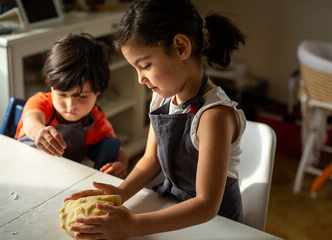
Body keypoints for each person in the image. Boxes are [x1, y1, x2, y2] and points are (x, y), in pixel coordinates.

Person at [65, 0, 246, 239]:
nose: (141, 79)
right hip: (174, 204)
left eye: (146, 65)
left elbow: (206, 205)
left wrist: (132, 225)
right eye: (136, 69)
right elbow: (151, 159)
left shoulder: (214, 116)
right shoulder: (162, 98)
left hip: (216, 225)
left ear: (181, 47)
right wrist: (120, 193)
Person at [15, 33, 128, 179]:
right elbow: (31, 119)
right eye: (62, 95)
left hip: (61, 179)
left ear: (99, 89)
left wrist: (120, 165)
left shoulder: (96, 122)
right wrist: (38, 131)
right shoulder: (42, 102)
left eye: (82, 97)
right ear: (49, 83)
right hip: (22, 170)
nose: (70, 105)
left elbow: (119, 152)